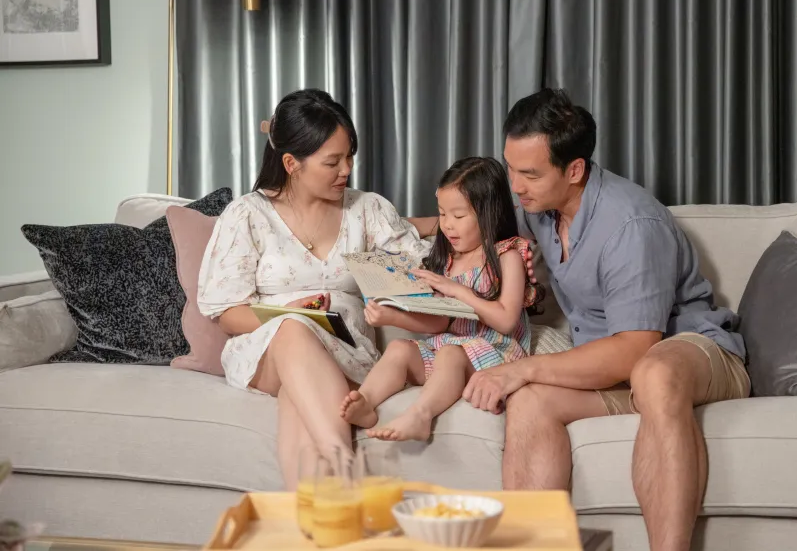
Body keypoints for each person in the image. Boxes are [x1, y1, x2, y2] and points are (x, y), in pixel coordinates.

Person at [417, 88, 750, 551]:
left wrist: (519, 368)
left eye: (529, 174)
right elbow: (471, 219)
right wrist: (384, 229)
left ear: (574, 170)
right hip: (612, 368)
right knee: (530, 402)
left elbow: (636, 348)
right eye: (511, 168)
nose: (515, 185)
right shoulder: (539, 209)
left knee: (653, 373)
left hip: (687, 351)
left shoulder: (632, 225)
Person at [196, 88, 433, 491]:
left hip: (346, 347)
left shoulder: (367, 209)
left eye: (349, 156)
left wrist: (479, 235)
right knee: (294, 328)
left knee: (297, 402)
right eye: (333, 161)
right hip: (267, 349)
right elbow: (227, 315)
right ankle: (346, 473)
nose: (347, 169)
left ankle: (317, 523)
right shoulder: (248, 215)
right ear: (292, 163)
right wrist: (292, 310)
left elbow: (423, 269)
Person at [339, 156, 541, 442]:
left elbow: (507, 321)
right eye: (442, 214)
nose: (447, 225)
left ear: (488, 213)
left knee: (449, 355)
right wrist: (392, 316)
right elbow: (440, 323)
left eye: (458, 216)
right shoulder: (448, 259)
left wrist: (459, 291)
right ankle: (366, 402)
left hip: (497, 354)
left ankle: (420, 414)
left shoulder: (507, 254)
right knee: (399, 348)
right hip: (452, 349)